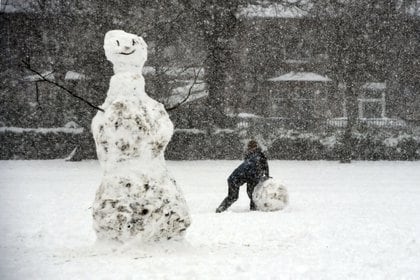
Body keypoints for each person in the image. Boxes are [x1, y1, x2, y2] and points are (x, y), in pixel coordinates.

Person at [216, 140, 269, 213]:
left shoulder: (255, 156)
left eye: (251, 147)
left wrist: (265, 176)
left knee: (252, 193)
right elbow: (260, 168)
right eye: (250, 147)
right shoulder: (255, 158)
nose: (250, 149)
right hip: (235, 179)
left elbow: (264, 167)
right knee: (234, 197)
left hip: (239, 177)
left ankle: (254, 209)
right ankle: (220, 210)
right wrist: (263, 177)